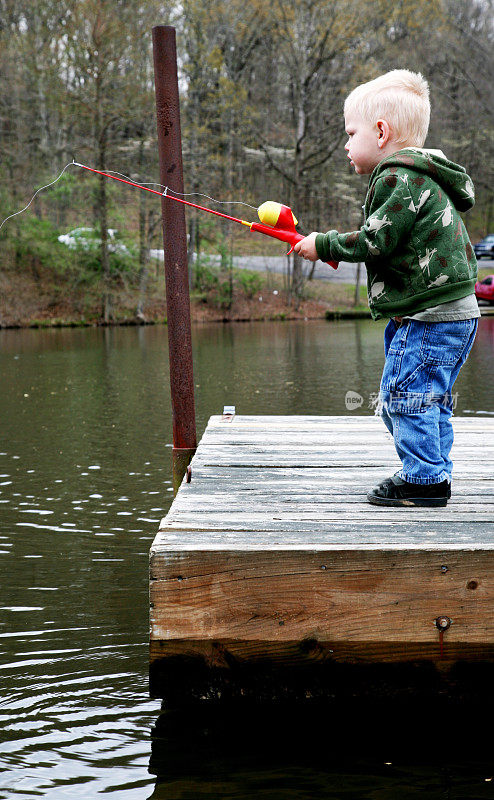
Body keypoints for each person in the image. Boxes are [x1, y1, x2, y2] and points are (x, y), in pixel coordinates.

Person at [294, 69, 479, 507]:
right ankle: (431, 472)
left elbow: (377, 238)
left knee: (403, 400)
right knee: (428, 402)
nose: (345, 144)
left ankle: (425, 482)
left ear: (381, 132)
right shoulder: (423, 175)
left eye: (350, 133)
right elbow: (394, 244)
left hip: (430, 318)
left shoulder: (397, 177)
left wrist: (323, 244)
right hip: (455, 313)